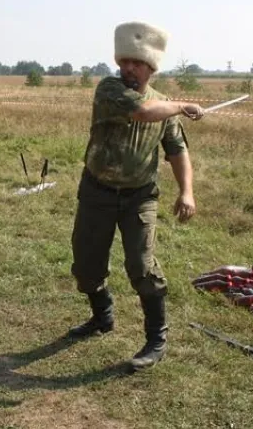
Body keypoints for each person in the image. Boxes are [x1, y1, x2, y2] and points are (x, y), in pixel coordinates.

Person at [66, 21, 204, 371]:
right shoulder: (110, 89)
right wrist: (182, 105)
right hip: (97, 191)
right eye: (123, 61)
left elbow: (176, 150)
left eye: (135, 63)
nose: (127, 68)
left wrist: (186, 191)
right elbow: (143, 112)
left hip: (139, 197)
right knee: (85, 267)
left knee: (142, 267)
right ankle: (102, 315)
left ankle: (156, 339)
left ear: (150, 67)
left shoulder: (165, 106)